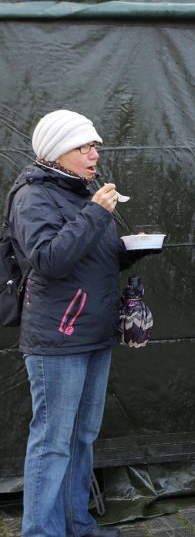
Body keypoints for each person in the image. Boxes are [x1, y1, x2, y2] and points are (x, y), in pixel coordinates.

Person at [9, 110, 155, 537]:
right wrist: (95, 214)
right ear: (58, 152)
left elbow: (88, 254)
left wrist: (130, 250)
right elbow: (49, 260)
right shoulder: (33, 196)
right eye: (84, 147)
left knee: (82, 437)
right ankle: (42, 532)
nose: (94, 154)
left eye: (96, 146)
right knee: (53, 442)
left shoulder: (80, 192)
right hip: (58, 335)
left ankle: (77, 525)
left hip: (95, 330)